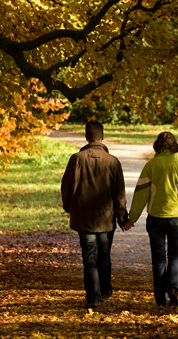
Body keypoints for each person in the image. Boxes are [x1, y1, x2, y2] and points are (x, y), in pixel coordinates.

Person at [61, 121, 129, 308]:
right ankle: (105, 290)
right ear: (102, 137)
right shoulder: (113, 162)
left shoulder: (76, 159)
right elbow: (119, 194)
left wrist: (68, 206)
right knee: (104, 255)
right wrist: (122, 217)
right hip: (106, 219)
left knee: (89, 256)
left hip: (84, 218)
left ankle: (93, 296)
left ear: (86, 137)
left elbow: (66, 187)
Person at [123, 131, 178, 307]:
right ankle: (174, 288)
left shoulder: (151, 166)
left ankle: (160, 299)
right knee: (175, 256)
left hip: (155, 218)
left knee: (159, 259)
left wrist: (132, 219)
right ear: (174, 146)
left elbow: (141, 194)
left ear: (158, 146)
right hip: (176, 217)